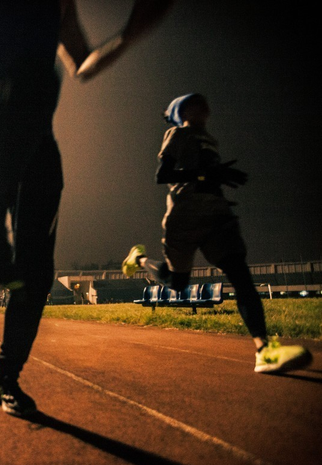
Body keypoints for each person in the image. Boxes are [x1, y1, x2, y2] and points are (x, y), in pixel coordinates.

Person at [0, 0, 173, 416]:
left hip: (35, 136)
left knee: (37, 269)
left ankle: (6, 374)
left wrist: (128, 35)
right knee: (35, 78)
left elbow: (83, 64)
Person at [122, 93, 312, 374]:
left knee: (240, 274)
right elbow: (162, 176)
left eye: (203, 102)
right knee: (177, 282)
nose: (202, 105)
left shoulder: (211, 139)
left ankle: (264, 350)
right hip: (185, 215)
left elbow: (206, 174)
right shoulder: (177, 133)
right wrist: (204, 175)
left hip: (216, 215)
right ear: (180, 112)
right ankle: (139, 259)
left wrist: (216, 175)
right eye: (192, 103)